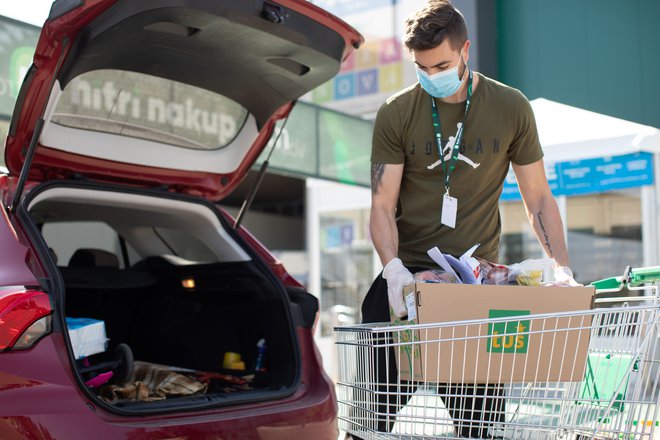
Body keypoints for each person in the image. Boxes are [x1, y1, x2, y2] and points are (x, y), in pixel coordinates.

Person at [351, 1, 578, 438]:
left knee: (480, 429)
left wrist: (562, 267)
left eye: (441, 64)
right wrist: (393, 271)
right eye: (421, 67)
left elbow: (539, 200)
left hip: (474, 287)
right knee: (368, 424)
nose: (431, 75)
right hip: (407, 280)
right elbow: (381, 206)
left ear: (466, 51)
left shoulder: (510, 107)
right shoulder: (397, 112)